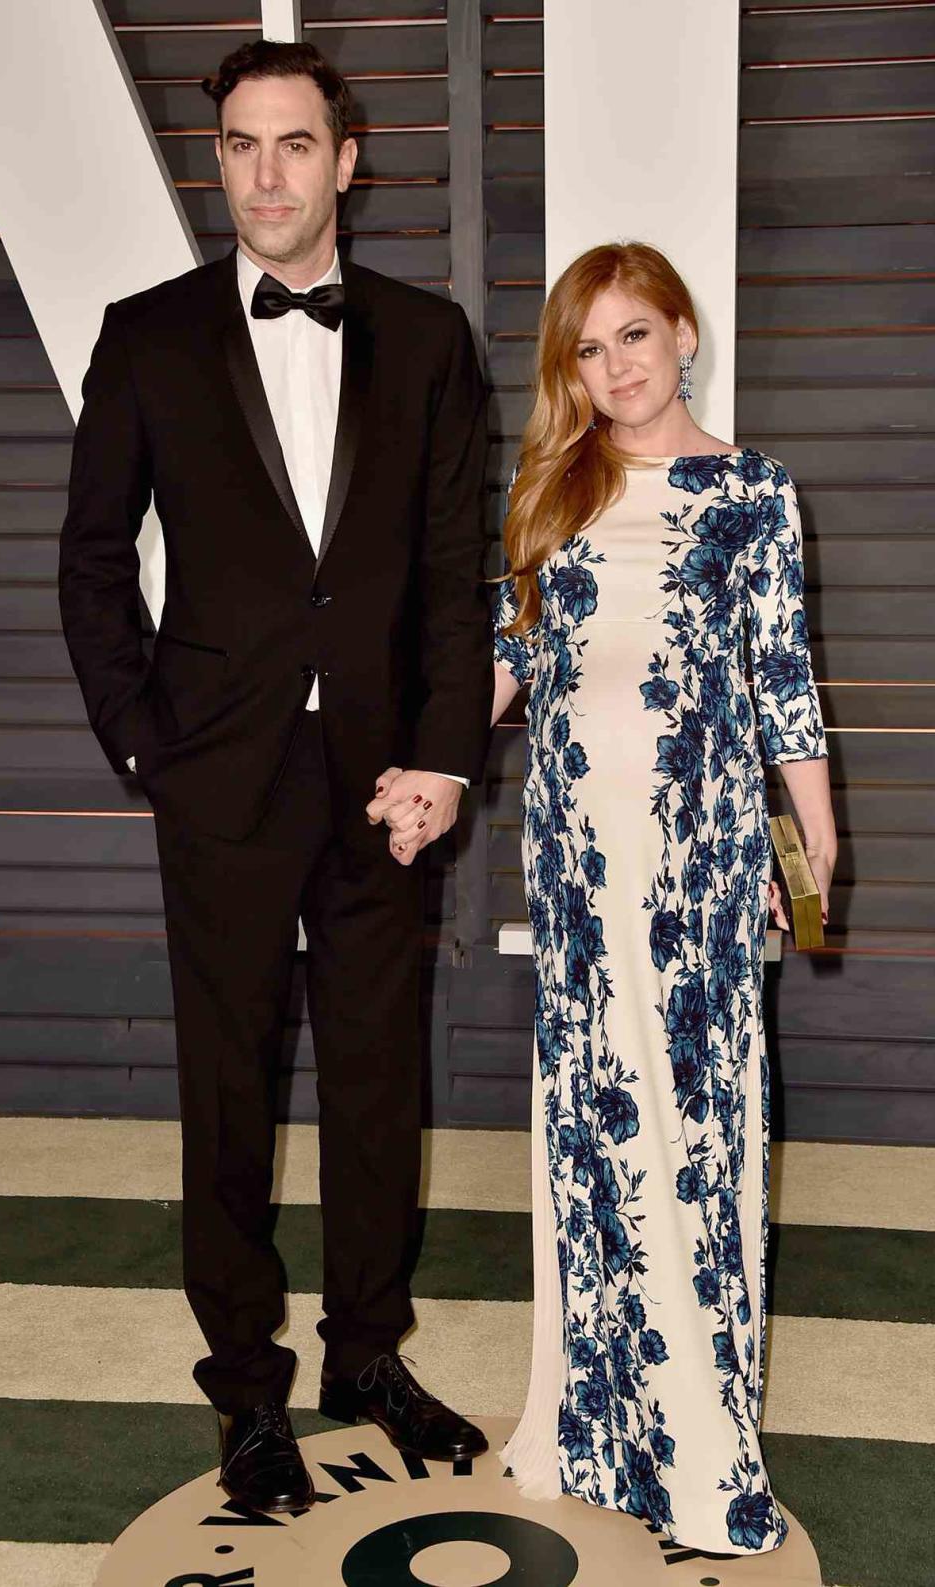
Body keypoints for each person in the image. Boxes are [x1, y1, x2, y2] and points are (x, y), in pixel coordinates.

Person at [58, 39, 492, 1514]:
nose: (265, 175)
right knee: (228, 1094)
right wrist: (144, 747)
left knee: (379, 1086)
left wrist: (444, 756)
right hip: (220, 780)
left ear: (346, 160)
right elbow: (91, 561)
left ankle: (368, 1356)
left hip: (388, 786)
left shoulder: (431, 343)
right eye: (240, 145)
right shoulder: (149, 335)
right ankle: (247, 1391)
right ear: (218, 160)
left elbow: (453, 574)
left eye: (294, 145)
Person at [489, 242, 836, 1553]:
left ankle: (702, 1448)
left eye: (636, 334)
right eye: (589, 346)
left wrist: (815, 834)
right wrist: (424, 765)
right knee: (593, 1129)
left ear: (685, 333)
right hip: (577, 855)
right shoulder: (551, 488)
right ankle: (593, 1425)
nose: (616, 365)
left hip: (700, 855)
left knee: (698, 1137)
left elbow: (781, 673)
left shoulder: (751, 489)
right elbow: (509, 667)